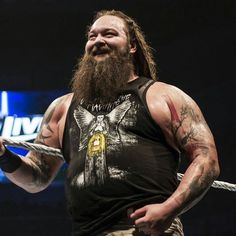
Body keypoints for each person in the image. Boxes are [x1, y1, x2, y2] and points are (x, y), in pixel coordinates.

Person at [0, 10, 220, 236]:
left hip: (144, 230)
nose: (98, 41)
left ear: (132, 46)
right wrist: (3, 157)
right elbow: (36, 177)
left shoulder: (163, 96)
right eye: (92, 36)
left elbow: (206, 158)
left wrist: (169, 209)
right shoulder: (62, 108)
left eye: (109, 34)